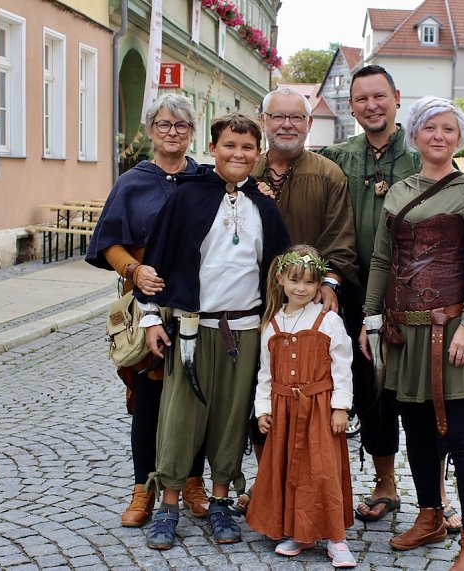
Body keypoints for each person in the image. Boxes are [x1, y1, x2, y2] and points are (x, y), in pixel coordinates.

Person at [135, 113, 291, 549]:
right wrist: (150, 318)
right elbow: (156, 260)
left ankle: (220, 501)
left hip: (245, 329)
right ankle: (168, 504)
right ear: (213, 149)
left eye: (246, 148)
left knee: (228, 420)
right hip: (192, 328)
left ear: (257, 154)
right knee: (180, 420)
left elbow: (282, 266)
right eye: (229, 146)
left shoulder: (264, 204)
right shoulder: (187, 199)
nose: (237, 154)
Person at [360, 96, 464, 571]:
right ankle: (430, 517)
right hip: (405, 334)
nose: (438, 136)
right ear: (415, 134)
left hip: (452, 332)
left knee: (461, 437)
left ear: (458, 138)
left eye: (448, 129)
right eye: (430, 128)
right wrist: (371, 318)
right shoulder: (398, 192)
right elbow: (382, 261)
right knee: (417, 433)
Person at [85, 93, 210, 528]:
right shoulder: (132, 182)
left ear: (192, 132)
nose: (172, 132)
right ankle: (143, 489)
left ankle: (194, 482)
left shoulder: (206, 180)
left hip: (198, 305)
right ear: (151, 130)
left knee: (196, 394)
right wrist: (134, 271)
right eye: (164, 124)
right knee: (149, 400)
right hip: (147, 306)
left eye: (181, 126)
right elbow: (106, 244)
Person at [240, 86, 359, 513]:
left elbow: (341, 237)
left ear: (308, 124)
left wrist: (328, 282)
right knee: (257, 392)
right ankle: (264, 480)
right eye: (279, 117)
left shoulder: (327, 174)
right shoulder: (242, 168)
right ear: (264, 120)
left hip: (305, 308)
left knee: (305, 395)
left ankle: (307, 484)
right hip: (248, 301)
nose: (287, 125)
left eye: (296, 118)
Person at [318, 64, 421, 524]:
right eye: (361, 99)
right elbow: (283, 170)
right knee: (370, 389)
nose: (371, 106)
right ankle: (385, 484)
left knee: (421, 393)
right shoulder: (338, 157)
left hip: (415, 296)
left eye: (379, 97)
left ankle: (435, 494)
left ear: (396, 97)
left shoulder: (422, 153)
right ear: (351, 105)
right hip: (354, 294)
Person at [246, 245, 356, 568]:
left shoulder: (328, 321)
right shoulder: (273, 325)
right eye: (295, 281)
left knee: (322, 472)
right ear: (281, 279)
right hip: (285, 412)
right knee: (291, 473)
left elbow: (342, 367)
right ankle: (299, 530)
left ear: (318, 283)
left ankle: (336, 539)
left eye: (309, 282)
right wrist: (263, 409)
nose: (301, 289)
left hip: (319, 411)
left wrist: (340, 408)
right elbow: (264, 373)